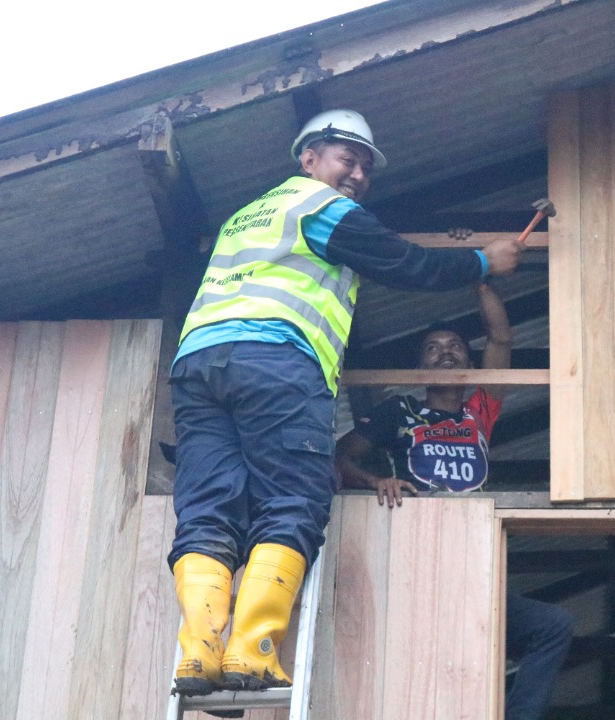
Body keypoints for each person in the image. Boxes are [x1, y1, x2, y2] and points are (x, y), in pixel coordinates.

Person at [167, 108, 524, 697]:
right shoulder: (319, 207)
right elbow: (407, 263)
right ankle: (253, 652)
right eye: (346, 159)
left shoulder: (245, 216)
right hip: (275, 362)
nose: (356, 174)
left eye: (364, 167)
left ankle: (199, 653)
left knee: (207, 509)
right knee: (294, 502)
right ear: (308, 159)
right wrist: (485, 261)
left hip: (199, 366)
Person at [336, 282, 574, 720]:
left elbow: (501, 338)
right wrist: (375, 482)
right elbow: (340, 458)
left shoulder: (479, 411)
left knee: (552, 625)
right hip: (416, 556)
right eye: (432, 348)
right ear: (420, 365)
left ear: (468, 361)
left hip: (473, 562)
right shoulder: (399, 411)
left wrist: (477, 275)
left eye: (455, 347)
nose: (445, 352)